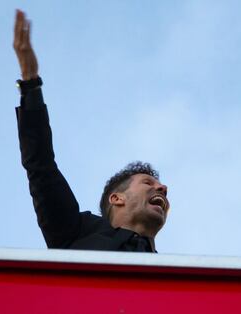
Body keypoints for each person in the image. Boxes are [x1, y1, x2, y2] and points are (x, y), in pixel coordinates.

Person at [13, 10, 170, 252]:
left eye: (159, 185)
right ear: (117, 198)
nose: (162, 188)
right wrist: (31, 85)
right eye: (148, 182)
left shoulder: (173, 279)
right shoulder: (75, 231)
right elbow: (40, 166)